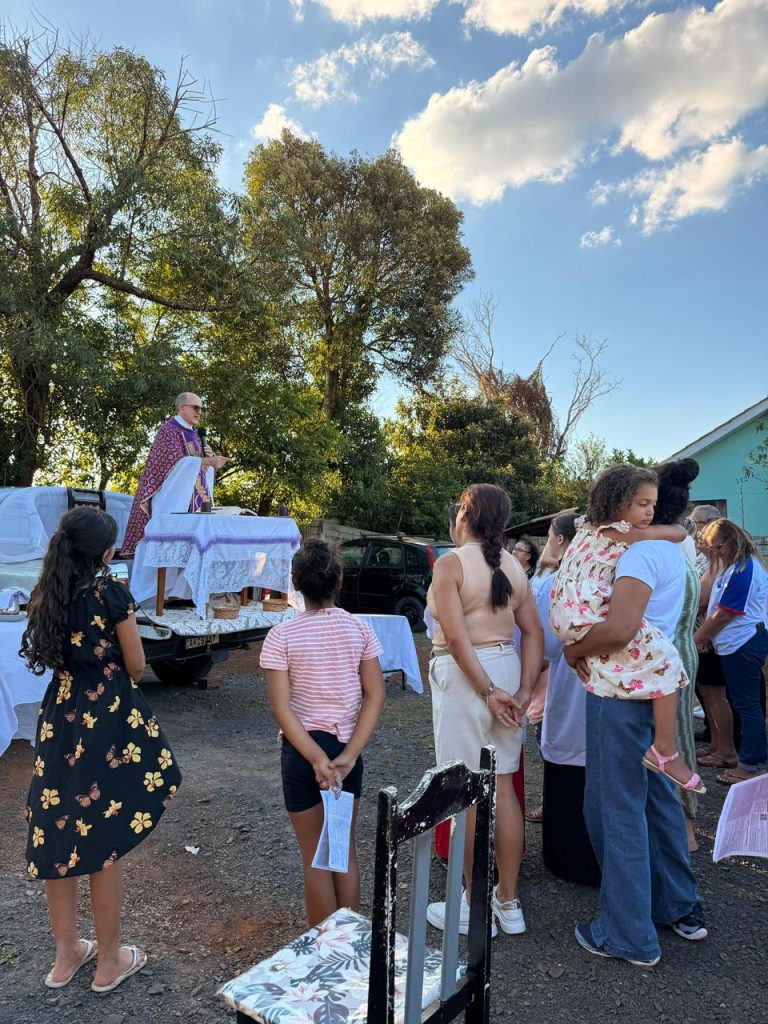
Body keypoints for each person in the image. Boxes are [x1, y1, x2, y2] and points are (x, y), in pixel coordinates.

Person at [19, 508, 182, 992]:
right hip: (104, 717)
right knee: (103, 834)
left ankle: (66, 954)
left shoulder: (48, 592)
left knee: (57, 829)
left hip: (59, 718)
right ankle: (109, 960)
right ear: (105, 552)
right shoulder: (109, 592)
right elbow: (136, 663)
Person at [562, 464, 706, 968]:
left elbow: (622, 627)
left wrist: (574, 650)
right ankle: (677, 905)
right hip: (653, 686)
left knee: (615, 809)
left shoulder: (637, 552)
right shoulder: (674, 551)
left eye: (649, 504)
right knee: (656, 800)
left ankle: (627, 935)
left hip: (622, 687)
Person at [425, 484, 544, 937]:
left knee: (464, 791)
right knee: (504, 787)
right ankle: (507, 902)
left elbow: (456, 638)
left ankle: (473, 905)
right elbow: (533, 633)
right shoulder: (513, 566)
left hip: (467, 678)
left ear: (465, 515)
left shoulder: (451, 564)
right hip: (506, 670)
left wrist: (488, 690)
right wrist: (523, 688)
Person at [550, 466, 703, 793]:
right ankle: (665, 749)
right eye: (642, 504)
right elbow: (676, 533)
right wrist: (677, 528)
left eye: (653, 505)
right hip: (586, 611)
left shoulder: (586, 526)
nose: (649, 513)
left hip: (570, 610)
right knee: (667, 661)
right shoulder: (619, 533)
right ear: (616, 502)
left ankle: (664, 750)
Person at [260, 541, 385, 927]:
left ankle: (323, 950)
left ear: (296, 585)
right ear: (339, 580)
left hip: (302, 753)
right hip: (346, 750)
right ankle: (351, 944)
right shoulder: (360, 629)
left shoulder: (281, 636)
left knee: (315, 858)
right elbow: (375, 694)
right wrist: (349, 755)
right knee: (342, 852)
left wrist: (316, 759)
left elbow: (281, 707)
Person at [652, 461, 703, 852]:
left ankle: (683, 826)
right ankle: (682, 823)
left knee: (669, 743)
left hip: (665, 654)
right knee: (676, 734)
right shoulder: (681, 539)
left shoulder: (653, 544)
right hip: (684, 646)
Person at [695, 519, 768, 784]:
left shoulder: (744, 568)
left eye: (718, 547)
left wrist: (699, 637)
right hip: (734, 643)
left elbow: (726, 612)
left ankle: (753, 764)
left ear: (732, 540)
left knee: (747, 706)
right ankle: (750, 759)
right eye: (712, 548)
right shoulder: (734, 565)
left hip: (743, 643)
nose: (715, 552)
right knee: (743, 703)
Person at [121, 392, 228, 556]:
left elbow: (196, 470)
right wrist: (204, 462)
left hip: (193, 504)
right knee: (166, 555)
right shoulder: (169, 430)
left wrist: (208, 462)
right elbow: (171, 463)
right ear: (181, 408)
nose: (199, 412)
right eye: (195, 407)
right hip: (170, 501)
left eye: (201, 408)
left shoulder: (195, 435)